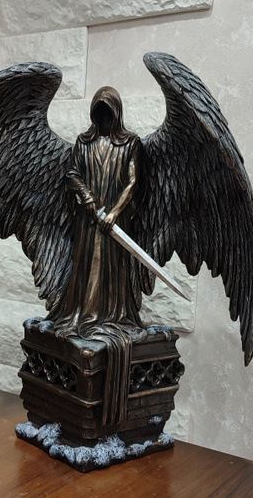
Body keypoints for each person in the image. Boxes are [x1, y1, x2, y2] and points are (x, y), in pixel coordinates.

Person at [52, 86, 147, 423]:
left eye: (109, 112)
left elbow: (133, 182)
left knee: (113, 269)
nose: (104, 118)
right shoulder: (83, 143)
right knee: (87, 268)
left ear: (117, 113)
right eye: (100, 112)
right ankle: (86, 315)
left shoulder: (130, 144)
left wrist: (115, 213)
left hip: (114, 224)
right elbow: (72, 174)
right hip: (89, 222)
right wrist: (87, 198)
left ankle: (113, 315)